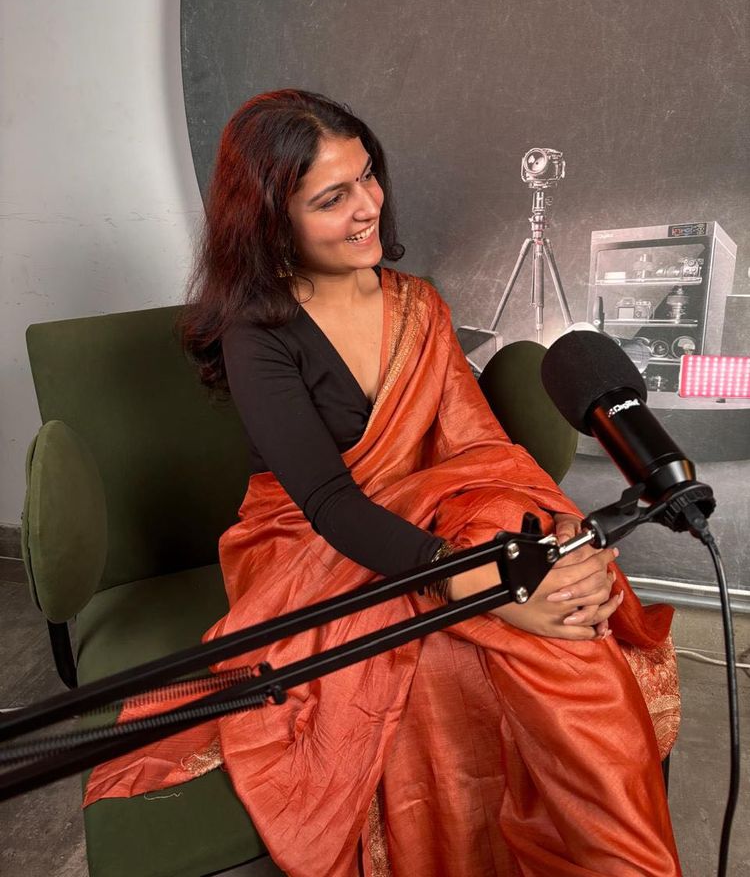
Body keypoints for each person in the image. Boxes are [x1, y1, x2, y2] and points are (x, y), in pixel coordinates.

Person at [85, 90, 682, 876]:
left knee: (555, 586)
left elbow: (484, 452)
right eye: (331, 198)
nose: (367, 205)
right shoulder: (257, 334)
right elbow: (330, 504)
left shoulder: (419, 306)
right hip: (310, 545)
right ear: (271, 221)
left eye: (367, 176)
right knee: (443, 663)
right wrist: (486, 589)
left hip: (441, 514)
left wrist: (564, 547)